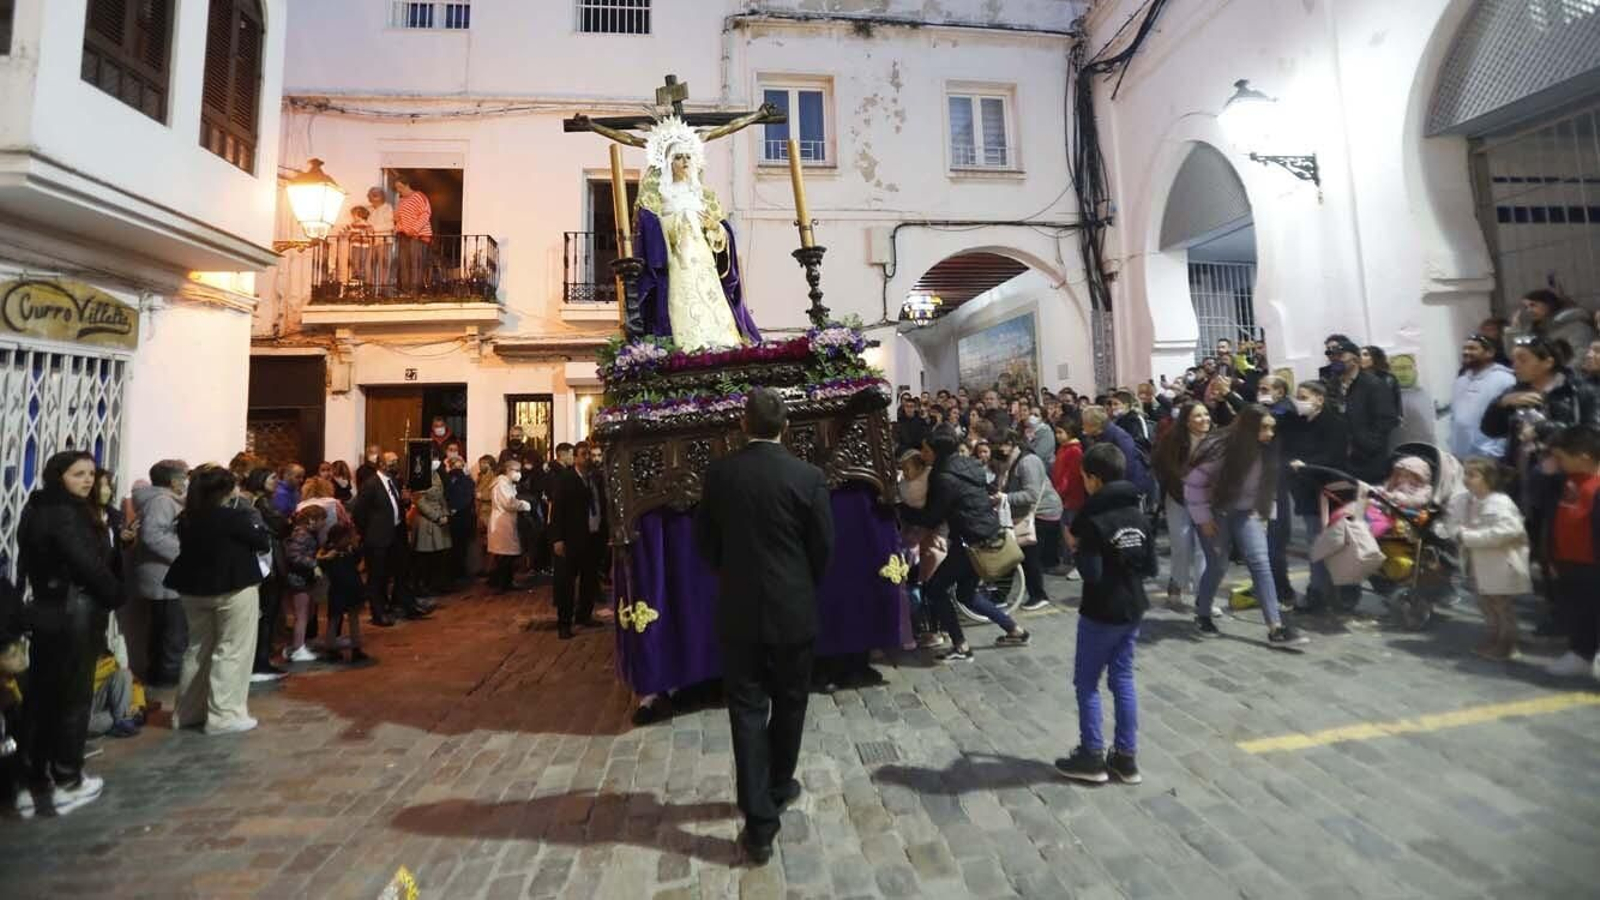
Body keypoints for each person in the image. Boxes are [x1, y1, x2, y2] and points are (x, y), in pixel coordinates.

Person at [692, 388, 834, 864]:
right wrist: (798, 584)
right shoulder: (808, 476)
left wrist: (734, 577)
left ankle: (759, 825)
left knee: (747, 712)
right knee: (791, 703)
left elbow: (705, 544)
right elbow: (823, 548)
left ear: (742, 424)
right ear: (786, 426)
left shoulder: (720, 474)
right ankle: (777, 785)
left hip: (739, 611)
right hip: (793, 610)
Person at [15, 451, 127, 815]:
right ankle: (67, 778)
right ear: (59, 475)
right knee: (72, 697)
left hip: (48, 608)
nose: (87, 481)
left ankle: (32, 780)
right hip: (73, 610)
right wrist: (114, 592)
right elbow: (86, 564)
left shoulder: (37, 508)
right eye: (78, 473)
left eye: (91, 474)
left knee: (42, 697)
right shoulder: (66, 513)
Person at [1054, 443, 1155, 785]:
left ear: (1094, 479)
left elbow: (1092, 573)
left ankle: (1092, 754)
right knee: (1123, 679)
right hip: (1133, 606)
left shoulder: (1093, 520)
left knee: (1087, 683)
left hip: (1101, 611)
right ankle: (1126, 757)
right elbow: (1151, 566)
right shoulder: (1139, 515)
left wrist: (1077, 547)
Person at [899, 424, 1031, 662]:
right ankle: (1015, 631)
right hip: (985, 534)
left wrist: (900, 509)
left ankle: (960, 646)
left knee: (935, 588)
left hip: (971, 541)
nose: (923, 454)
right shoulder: (969, 464)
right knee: (966, 595)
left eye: (927, 450)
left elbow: (932, 517)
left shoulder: (944, 478)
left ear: (937, 452)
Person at [1184, 405, 1307, 645]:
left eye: (1272, 428)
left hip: (1247, 512)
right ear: (1249, 427)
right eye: (1264, 428)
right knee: (1217, 566)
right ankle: (1203, 613)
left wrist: (1264, 516)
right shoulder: (1220, 448)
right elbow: (1193, 485)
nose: (1270, 433)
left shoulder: (1268, 451)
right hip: (1214, 511)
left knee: (1261, 563)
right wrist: (1204, 519)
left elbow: (1267, 488)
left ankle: (1276, 627)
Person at [163, 465, 271, 735]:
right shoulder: (231, 517)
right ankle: (225, 715)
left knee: (197, 649)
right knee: (232, 650)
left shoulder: (188, 517)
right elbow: (261, 541)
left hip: (193, 589)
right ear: (225, 490)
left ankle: (188, 712)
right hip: (232, 587)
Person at [1449, 458, 1530, 660]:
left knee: (1500, 604)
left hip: (1499, 563)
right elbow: (1452, 522)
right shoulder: (1462, 500)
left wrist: (1470, 537)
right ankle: (1493, 636)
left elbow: (1510, 530)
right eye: (1465, 474)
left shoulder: (1500, 502)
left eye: (1472, 475)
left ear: (1489, 478)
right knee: (1484, 602)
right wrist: (1456, 532)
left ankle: (1508, 643)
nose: (1466, 479)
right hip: (1476, 562)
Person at [1283, 382, 1351, 612]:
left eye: (1304, 397)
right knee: (1316, 543)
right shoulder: (1297, 423)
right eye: (1297, 397)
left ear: (1319, 399)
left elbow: (1334, 457)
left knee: (1326, 543)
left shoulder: (1336, 425)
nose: (1299, 401)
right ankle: (1320, 592)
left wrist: (1307, 465)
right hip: (1305, 491)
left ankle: (1325, 592)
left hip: (1329, 492)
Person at [348, 451, 430, 626]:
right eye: (392, 462)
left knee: (402, 571)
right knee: (378, 576)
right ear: (382, 465)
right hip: (377, 538)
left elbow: (395, 505)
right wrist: (369, 532)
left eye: (396, 461)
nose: (395, 464)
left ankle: (406, 605)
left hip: (396, 534)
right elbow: (359, 513)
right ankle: (378, 612)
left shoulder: (393, 481)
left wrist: (406, 502)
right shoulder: (370, 484)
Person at [1544, 425, 1600, 679]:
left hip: (1593, 563)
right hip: (1569, 559)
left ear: (1584, 458)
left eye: (1561, 458)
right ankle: (1580, 653)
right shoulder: (1567, 479)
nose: (1557, 463)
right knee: (1578, 610)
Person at [130, 460, 188, 686]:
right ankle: (168, 680)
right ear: (173, 481)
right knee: (172, 633)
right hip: (164, 576)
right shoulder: (162, 502)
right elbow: (152, 535)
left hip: (163, 575)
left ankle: (162, 676)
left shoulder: (163, 500)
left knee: (164, 630)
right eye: (183, 477)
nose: (185, 482)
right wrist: (184, 554)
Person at [1152, 401, 1211, 610]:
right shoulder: (1172, 439)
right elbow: (1158, 463)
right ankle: (1175, 587)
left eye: (1206, 414)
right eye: (1197, 416)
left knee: (1204, 550)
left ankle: (1204, 599)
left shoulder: (1215, 440)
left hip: (1206, 502)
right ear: (1186, 421)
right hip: (1178, 498)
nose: (1204, 419)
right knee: (1181, 545)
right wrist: (1176, 481)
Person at [995, 431, 1060, 612]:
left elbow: (1031, 494)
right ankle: (1001, 595)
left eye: (998, 445)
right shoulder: (1010, 462)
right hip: (1025, 514)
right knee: (1019, 554)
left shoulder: (1027, 461)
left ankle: (1038, 595)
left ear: (1010, 443)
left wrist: (1005, 497)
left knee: (1028, 556)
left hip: (1042, 513)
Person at [548, 441, 605, 639]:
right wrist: (557, 538)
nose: (587, 458)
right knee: (566, 582)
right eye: (583, 454)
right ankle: (564, 622)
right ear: (575, 457)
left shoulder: (596, 478)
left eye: (589, 454)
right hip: (571, 538)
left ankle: (584, 615)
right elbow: (557, 510)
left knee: (589, 579)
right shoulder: (566, 479)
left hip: (593, 537)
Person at [1325, 336, 1400, 483]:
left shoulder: (1374, 385)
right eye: (1332, 356)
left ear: (1355, 359)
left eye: (1340, 356)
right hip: (1341, 460)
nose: (1335, 360)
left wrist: (1367, 445)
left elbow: (1387, 420)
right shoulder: (1332, 385)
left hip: (1368, 461)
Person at [242, 468, 290, 681]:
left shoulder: (259, 501)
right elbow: (281, 525)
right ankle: (260, 662)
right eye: (272, 478)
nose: (276, 481)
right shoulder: (262, 503)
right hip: (267, 563)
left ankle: (261, 660)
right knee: (267, 615)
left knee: (268, 615)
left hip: (268, 562)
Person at [1450, 334, 1518, 461]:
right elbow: (1455, 419)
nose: (1466, 352)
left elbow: (1508, 421)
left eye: (1472, 348)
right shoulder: (1460, 381)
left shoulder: (1505, 379)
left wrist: (1495, 452)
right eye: (1464, 348)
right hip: (1460, 456)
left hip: (1490, 457)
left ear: (1490, 353)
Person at [317, 524, 370, 664]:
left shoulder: (330, 552)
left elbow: (321, 563)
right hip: (349, 587)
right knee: (349, 619)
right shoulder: (341, 552)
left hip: (340, 589)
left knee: (335, 619)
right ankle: (353, 649)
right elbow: (357, 561)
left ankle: (333, 649)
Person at [280, 505, 326, 664]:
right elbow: (293, 555)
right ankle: (298, 648)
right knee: (302, 615)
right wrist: (313, 564)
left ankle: (296, 646)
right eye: (322, 520)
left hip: (303, 578)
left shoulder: (306, 533)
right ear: (312, 520)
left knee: (306, 613)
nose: (324, 524)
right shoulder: (302, 534)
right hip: (298, 579)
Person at [1080, 406, 1155, 500]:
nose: (1082, 427)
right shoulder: (1099, 436)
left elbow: (1127, 467)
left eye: (1084, 424)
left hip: (1130, 488)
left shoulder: (1120, 438)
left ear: (1094, 425)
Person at [1514, 288, 1597, 360]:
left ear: (1549, 304)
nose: (1529, 310)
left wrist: (1561, 374)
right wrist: (1515, 330)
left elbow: (1583, 356)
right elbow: (1518, 356)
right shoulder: (1535, 329)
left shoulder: (1576, 326)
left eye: (1533, 305)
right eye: (1526, 307)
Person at [486, 459, 531, 591]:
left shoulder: (508, 483)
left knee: (507, 554)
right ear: (508, 470)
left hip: (506, 521)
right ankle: (501, 583)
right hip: (502, 522)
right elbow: (508, 503)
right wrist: (524, 505)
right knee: (504, 555)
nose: (518, 473)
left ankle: (506, 581)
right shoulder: (501, 484)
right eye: (516, 470)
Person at [410, 461, 453, 597]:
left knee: (440, 555)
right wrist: (436, 516)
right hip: (426, 520)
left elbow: (441, 496)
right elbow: (419, 501)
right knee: (424, 556)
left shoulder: (436, 474)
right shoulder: (419, 476)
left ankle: (437, 584)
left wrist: (445, 513)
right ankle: (421, 586)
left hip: (440, 516)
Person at [1050, 422, 1086, 579]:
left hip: (1072, 498)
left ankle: (1078, 564)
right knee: (1065, 531)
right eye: (1056, 432)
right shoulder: (1063, 449)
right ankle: (1067, 562)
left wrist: (1060, 492)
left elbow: (1070, 477)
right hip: (1061, 497)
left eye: (1061, 432)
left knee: (1072, 531)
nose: (1057, 436)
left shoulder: (1075, 451)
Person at [393, 175, 433, 293]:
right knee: (404, 263)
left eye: (400, 187)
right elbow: (399, 218)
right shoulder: (401, 201)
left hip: (418, 236)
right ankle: (406, 290)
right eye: (397, 188)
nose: (398, 190)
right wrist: (398, 228)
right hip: (404, 236)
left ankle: (415, 290)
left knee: (416, 263)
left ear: (406, 185)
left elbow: (426, 213)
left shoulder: (419, 196)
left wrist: (414, 229)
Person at [443, 454, 477, 585]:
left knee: (459, 548)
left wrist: (453, 508)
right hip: (459, 516)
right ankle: (456, 574)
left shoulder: (463, 479)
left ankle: (458, 573)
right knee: (458, 548)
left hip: (460, 516)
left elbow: (467, 497)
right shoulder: (453, 478)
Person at [363, 186, 395, 290]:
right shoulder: (368, 209)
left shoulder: (388, 208)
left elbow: (391, 225)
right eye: (372, 195)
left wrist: (374, 228)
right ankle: (369, 290)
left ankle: (384, 291)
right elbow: (365, 225)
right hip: (371, 242)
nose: (374, 197)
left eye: (376, 194)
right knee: (368, 267)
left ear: (382, 196)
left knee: (384, 268)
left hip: (384, 241)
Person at [1361, 346, 1404, 421]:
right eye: (1359, 354)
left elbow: (1396, 399)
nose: (1361, 357)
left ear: (1375, 357)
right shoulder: (1357, 378)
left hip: (1384, 421)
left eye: (1365, 354)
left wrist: (1398, 416)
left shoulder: (1388, 378)